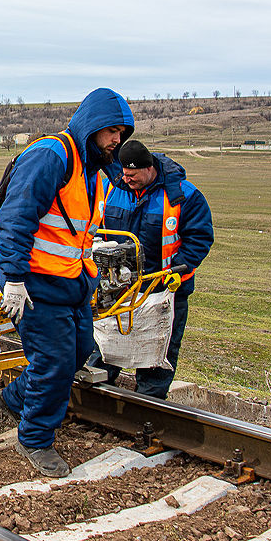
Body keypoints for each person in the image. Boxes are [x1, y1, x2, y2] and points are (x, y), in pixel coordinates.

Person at [0, 87, 133, 478]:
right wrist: (15, 279)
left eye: (121, 132)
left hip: (72, 285)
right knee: (53, 361)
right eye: (111, 131)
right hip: (37, 284)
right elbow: (16, 218)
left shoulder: (92, 170)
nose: (116, 140)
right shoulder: (52, 156)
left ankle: (14, 399)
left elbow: (76, 232)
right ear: (91, 127)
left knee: (77, 353)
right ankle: (35, 438)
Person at [89, 140, 213, 398]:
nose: (126, 178)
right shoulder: (113, 189)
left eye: (132, 175)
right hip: (118, 289)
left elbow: (200, 237)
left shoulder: (183, 196)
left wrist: (182, 266)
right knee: (105, 345)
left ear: (148, 169)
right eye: (123, 173)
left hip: (163, 290)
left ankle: (149, 405)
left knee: (156, 354)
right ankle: (94, 397)